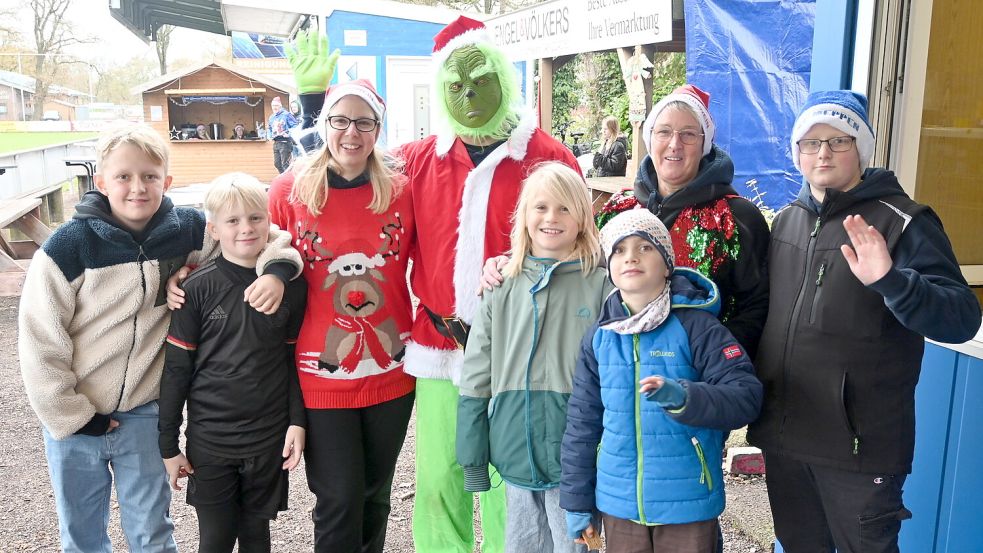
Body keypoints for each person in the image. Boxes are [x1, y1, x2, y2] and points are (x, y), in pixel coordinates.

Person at [17, 123, 302, 553]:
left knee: (151, 528)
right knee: (80, 532)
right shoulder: (67, 247)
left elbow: (263, 237)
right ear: (101, 182)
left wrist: (278, 269)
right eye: (124, 177)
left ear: (166, 181)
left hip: (141, 413)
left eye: (150, 176)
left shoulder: (186, 230)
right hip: (75, 421)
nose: (138, 188)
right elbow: (40, 341)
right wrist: (71, 414)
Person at [748, 90, 982, 553]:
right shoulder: (788, 222)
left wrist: (893, 282)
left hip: (859, 450)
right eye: (811, 143)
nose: (823, 153)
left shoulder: (904, 223)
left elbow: (961, 318)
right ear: (797, 153)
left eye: (838, 141)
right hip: (785, 440)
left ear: (861, 149)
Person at [397, 16, 582, 553]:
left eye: (481, 78)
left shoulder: (548, 158)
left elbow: (582, 246)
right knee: (439, 479)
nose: (470, 93)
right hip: (438, 345)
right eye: (456, 85)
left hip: (518, 352)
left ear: (504, 78)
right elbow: (342, 190)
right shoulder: (417, 161)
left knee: (511, 481)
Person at [275, 33, 417, 553]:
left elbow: (442, 254)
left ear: (378, 129)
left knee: (376, 495)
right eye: (339, 120)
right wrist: (190, 271)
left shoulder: (401, 192)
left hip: (392, 370)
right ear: (325, 125)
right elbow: (248, 246)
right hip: (322, 374)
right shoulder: (291, 190)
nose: (351, 133)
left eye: (363, 122)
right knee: (338, 498)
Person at [560, 209, 763, 553]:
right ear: (609, 267)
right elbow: (581, 425)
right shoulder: (599, 337)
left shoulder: (698, 328)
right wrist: (577, 502)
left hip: (688, 502)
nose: (631, 257)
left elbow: (746, 397)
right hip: (620, 505)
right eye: (620, 250)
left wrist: (685, 399)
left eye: (645, 247)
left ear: (668, 264)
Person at [456, 162, 611, 553]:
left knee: (573, 545)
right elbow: (476, 372)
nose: (551, 218)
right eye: (540, 207)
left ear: (582, 218)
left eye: (563, 208)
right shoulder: (501, 283)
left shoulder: (602, 285)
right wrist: (473, 456)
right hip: (514, 446)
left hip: (575, 456)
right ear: (524, 215)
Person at [159, 173, 308, 553]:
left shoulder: (291, 285)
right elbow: (177, 371)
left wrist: (297, 421)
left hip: (268, 436)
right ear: (214, 229)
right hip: (212, 441)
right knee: (216, 539)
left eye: (256, 218)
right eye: (233, 220)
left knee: (257, 535)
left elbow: (293, 361)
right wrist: (168, 445)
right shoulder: (195, 289)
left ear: (269, 221)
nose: (246, 228)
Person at [632, 84, 770, 358]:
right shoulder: (621, 212)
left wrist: (704, 356)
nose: (675, 144)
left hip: (705, 382)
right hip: (623, 377)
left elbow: (757, 308)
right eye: (664, 132)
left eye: (688, 135)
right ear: (650, 139)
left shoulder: (737, 218)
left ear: (704, 146)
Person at [268, 96, 299, 173]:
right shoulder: (271, 117)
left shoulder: (286, 114)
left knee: (285, 164)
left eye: (276, 106)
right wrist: (269, 135)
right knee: (277, 164)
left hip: (285, 142)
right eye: (273, 106)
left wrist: (288, 133)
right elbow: (269, 128)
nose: (274, 107)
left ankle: (288, 180)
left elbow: (295, 126)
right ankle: (284, 178)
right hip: (276, 142)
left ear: (280, 106)